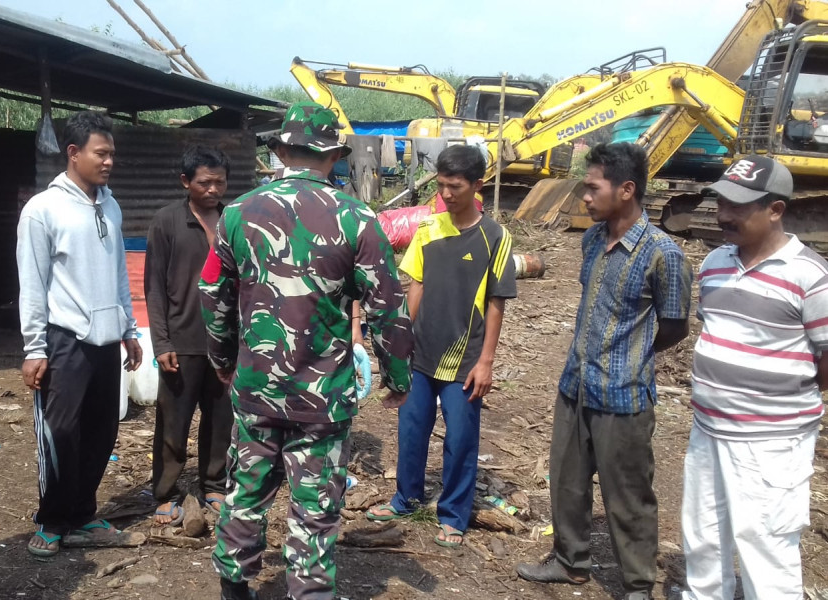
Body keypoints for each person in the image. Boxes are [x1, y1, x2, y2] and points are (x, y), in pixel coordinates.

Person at [200, 101, 414, 600]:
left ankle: (235, 586)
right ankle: (310, 592)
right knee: (315, 506)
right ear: (334, 156)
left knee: (246, 491)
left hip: (256, 387)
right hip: (322, 396)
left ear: (278, 150)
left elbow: (212, 294)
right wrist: (397, 378)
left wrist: (224, 360)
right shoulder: (358, 218)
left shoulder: (236, 213)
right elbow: (388, 307)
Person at [516, 143, 692, 600]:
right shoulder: (592, 239)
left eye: (593, 188)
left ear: (627, 189)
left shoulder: (663, 255)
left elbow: (675, 325)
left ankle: (637, 584)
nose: (585, 198)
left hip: (624, 395)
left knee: (629, 495)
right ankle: (570, 561)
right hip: (575, 385)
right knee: (567, 482)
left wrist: (631, 354)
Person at [682, 156, 828, 599]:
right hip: (708, 428)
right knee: (703, 535)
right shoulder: (714, 263)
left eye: (739, 206)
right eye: (722, 201)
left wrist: (775, 398)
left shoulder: (809, 275)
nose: (725, 214)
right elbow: (714, 327)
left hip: (771, 440)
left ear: (776, 210)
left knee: (765, 543)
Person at [367, 145, 517, 548]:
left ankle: (453, 515)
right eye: (441, 186)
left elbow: (496, 303)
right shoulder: (429, 229)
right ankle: (406, 498)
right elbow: (415, 286)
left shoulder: (495, 237)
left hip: (465, 359)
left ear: (477, 186)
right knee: (411, 430)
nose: (446, 194)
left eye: (455, 186)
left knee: (461, 439)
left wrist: (486, 361)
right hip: (421, 354)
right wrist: (399, 345)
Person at [17, 110, 143, 557]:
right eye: (101, 153)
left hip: (108, 339)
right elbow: (31, 283)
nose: (109, 162)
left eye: (112, 154)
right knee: (60, 432)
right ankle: (52, 520)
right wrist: (34, 348)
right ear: (73, 153)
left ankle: (83, 517)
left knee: (101, 431)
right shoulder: (42, 210)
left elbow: (118, 274)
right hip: (64, 340)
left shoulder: (110, 204)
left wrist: (129, 328)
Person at [145, 145, 233, 525]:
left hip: (227, 342)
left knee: (221, 419)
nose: (213, 189)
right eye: (204, 182)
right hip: (182, 339)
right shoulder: (167, 222)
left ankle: (214, 484)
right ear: (186, 182)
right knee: (173, 421)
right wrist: (161, 342)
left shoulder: (234, 220)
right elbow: (154, 287)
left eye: (219, 182)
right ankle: (165, 491)